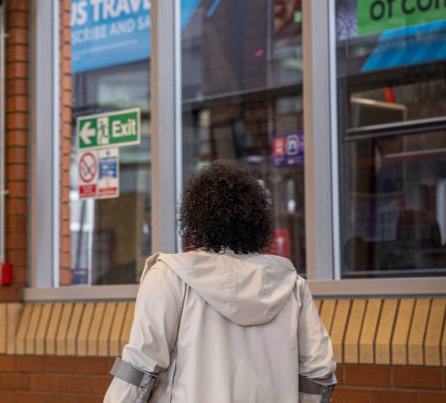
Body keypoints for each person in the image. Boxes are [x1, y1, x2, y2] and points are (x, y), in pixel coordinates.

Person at [104, 160, 336, 403]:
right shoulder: (291, 285)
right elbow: (318, 373)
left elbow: (140, 364)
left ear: (195, 218)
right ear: (257, 220)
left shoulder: (170, 275)